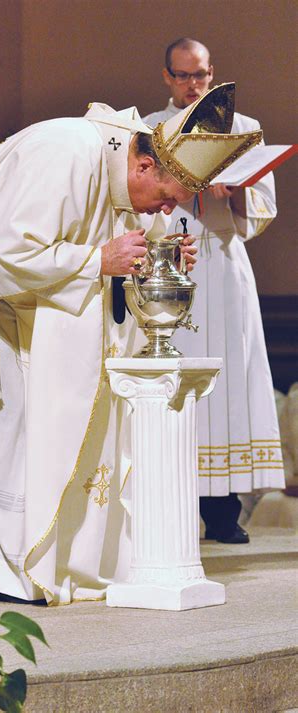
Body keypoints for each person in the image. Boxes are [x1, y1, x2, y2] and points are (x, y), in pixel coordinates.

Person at [0, 85, 261, 605]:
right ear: (144, 166)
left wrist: (162, 257)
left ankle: (59, 566)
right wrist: (98, 261)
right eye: (166, 198)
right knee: (10, 443)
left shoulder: (121, 177)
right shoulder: (64, 150)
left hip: (37, 310)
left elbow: (113, 251)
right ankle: (11, 573)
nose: (164, 210)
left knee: (47, 435)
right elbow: (7, 251)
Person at [142, 39, 285, 544]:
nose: (192, 86)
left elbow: (262, 208)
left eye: (200, 75)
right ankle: (173, 504)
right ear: (166, 77)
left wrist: (237, 187)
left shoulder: (243, 129)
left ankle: (224, 511)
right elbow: (139, 196)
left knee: (227, 378)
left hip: (222, 261)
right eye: (182, 76)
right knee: (176, 380)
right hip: (174, 258)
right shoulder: (152, 130)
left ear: (212, 73)